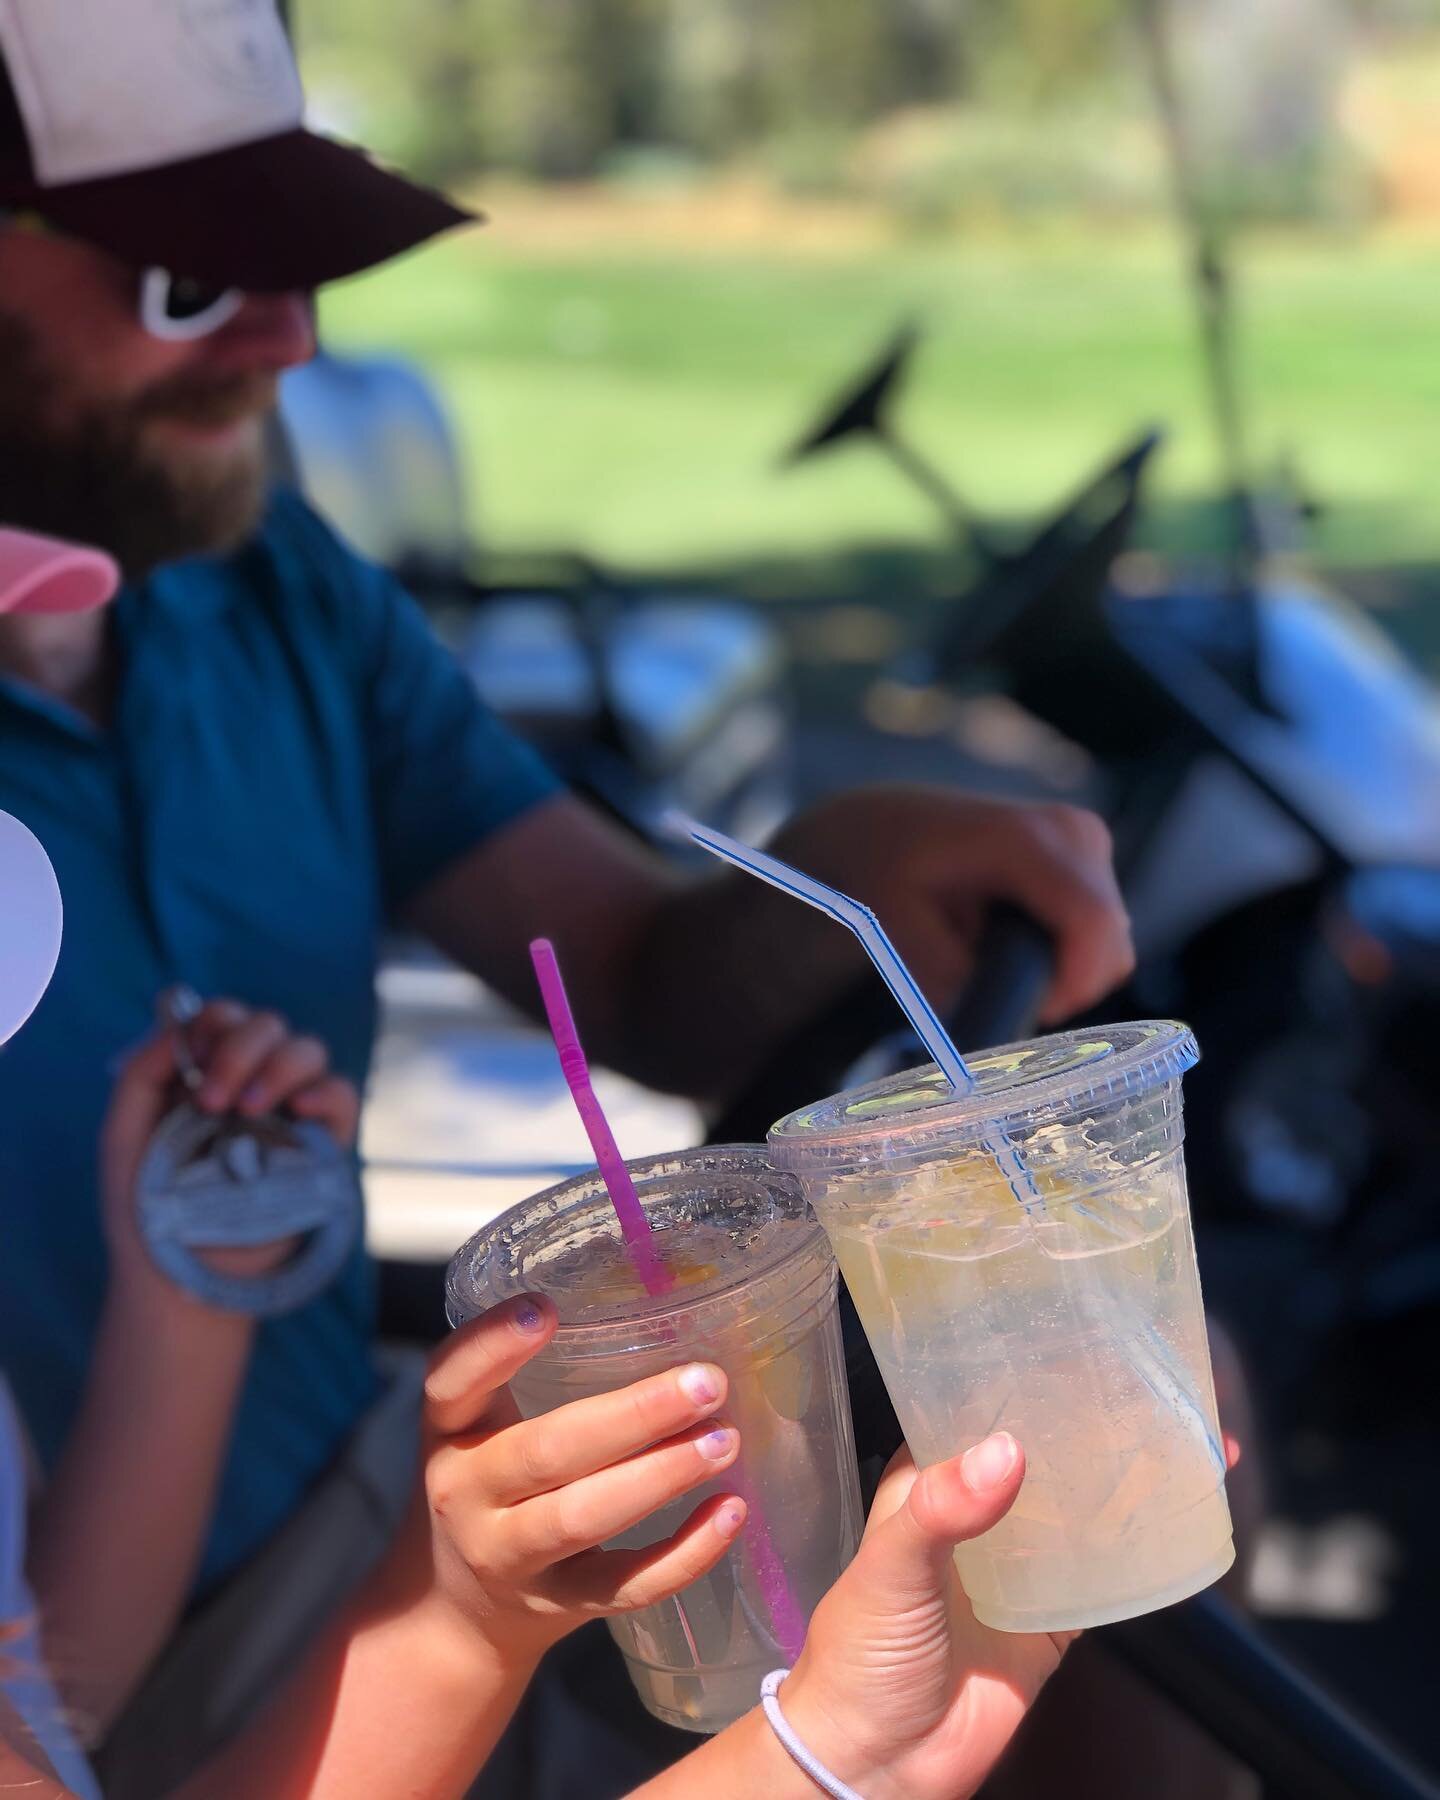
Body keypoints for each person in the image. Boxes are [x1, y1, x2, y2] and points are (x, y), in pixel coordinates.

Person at [0, 4, 1207, 1794]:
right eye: (190, 276)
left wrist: (842, 867)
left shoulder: (258, 580)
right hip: (157, 1668)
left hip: (376, 1512)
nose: (289, 333)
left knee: (1111, 1471)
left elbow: (624, 964)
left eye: (294, 259)